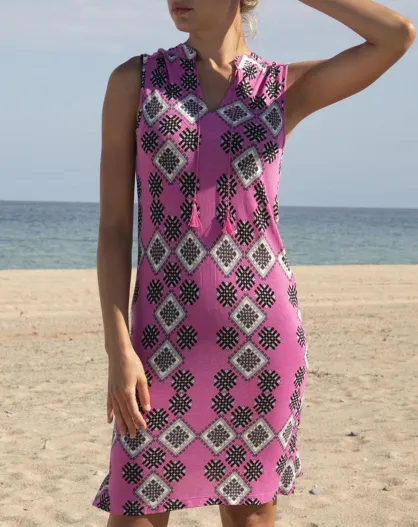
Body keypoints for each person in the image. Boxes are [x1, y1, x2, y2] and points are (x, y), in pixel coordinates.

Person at [92, 1, 415, 526]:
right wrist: (118, 348)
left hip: (261, 341)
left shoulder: (281, 88)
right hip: (159, 344)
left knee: (252, 515)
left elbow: (396, 36)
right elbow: (113, 229)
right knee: (135, 513)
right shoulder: (136, 82)